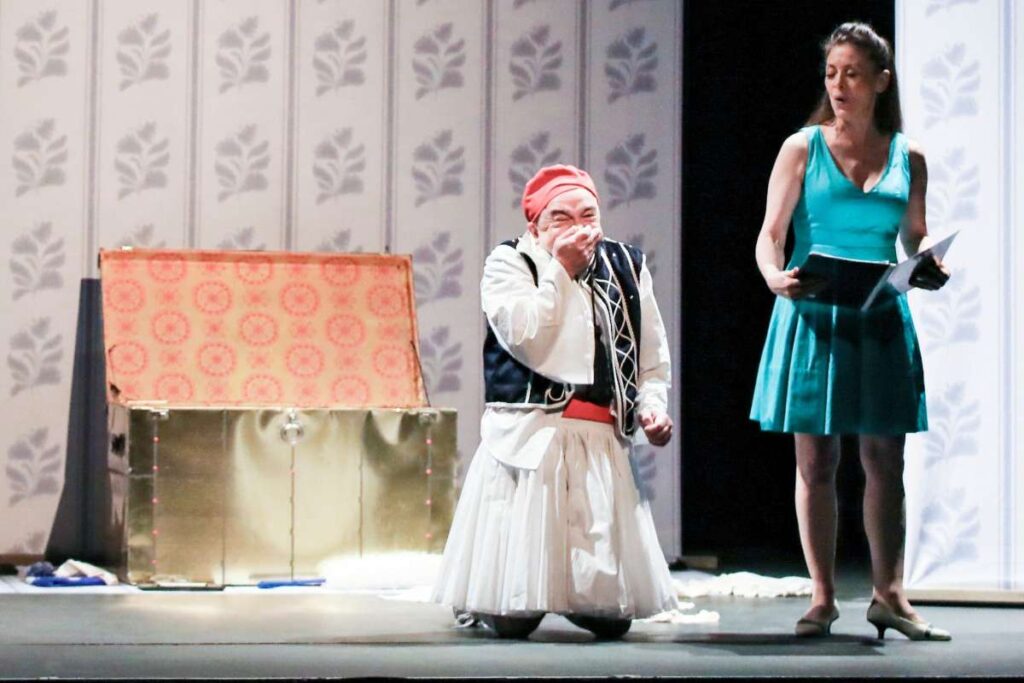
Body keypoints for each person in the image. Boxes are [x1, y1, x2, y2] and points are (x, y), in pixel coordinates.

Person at [750, 23, 951, 641]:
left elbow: (913, 235)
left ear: (881, 82)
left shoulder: (908, 156)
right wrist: (774, 277)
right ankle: (822, 597)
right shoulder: (802, 148)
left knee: (886, 458)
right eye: (832, 73)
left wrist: (930, 263)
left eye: (853, 74)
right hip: (813, 311)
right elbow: (770, 234)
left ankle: (890, 594)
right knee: (816, 459)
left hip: (879, 313)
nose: (839, 85)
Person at [431, 164, 678, 639]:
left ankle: (574, 599)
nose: (578, 227)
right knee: (513, 620)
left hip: (598, 441)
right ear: (535, 226)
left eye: (588, 215)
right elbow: (527, 336)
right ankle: (493, 604)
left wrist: (651, 406)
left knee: (612, 621)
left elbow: (650, 353)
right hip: (531, 438)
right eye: (561, 218)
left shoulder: (625, 264)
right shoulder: (510, 263)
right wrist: (561, 270)